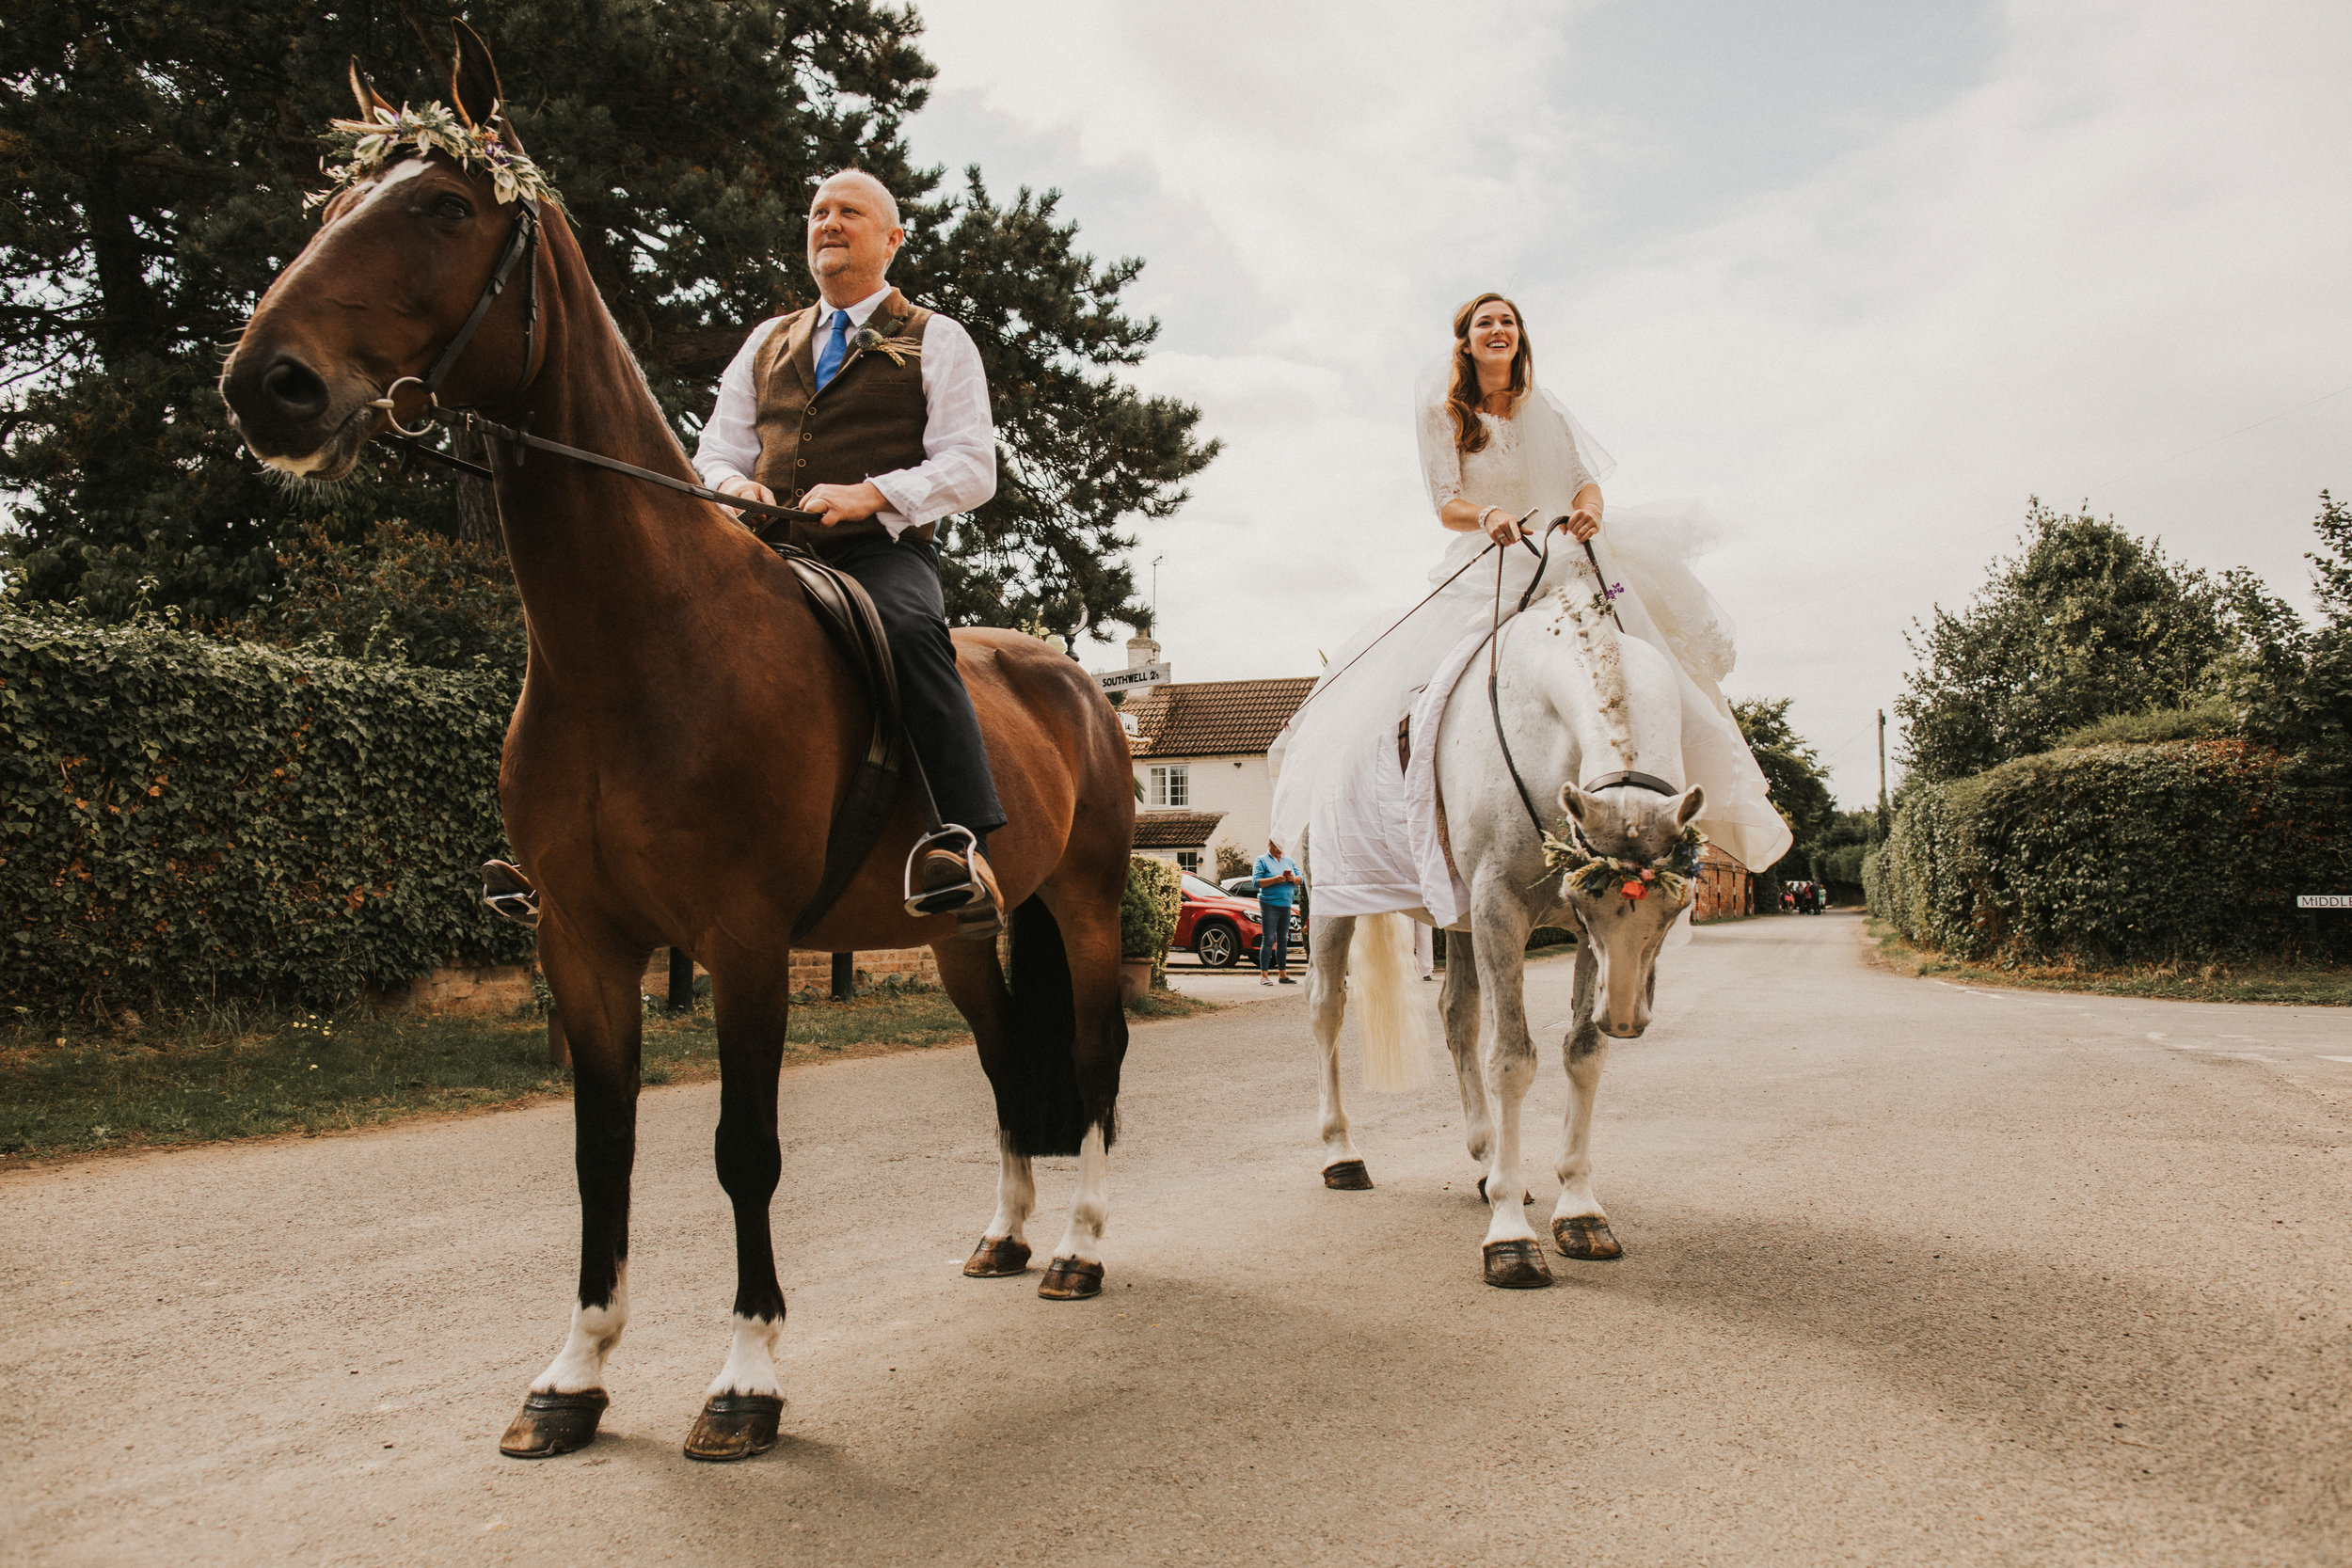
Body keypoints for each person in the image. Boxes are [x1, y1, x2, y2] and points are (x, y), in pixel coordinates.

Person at [1267, 292, 1789, 918]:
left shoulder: (1543, 411)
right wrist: (1486, 514)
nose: (1498, 329)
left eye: (1507, 321)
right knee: (1431, 678)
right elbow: (1445, 502)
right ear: (1465, 342)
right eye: (1485, 322)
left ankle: (1672, 803)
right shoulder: (1447, 415)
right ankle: (1424, 812)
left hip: (1567, 551)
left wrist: (1590, 509)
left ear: (1519, 338)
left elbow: (1580, 478)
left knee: (1648, 660)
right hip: (1491, 555)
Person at [694, 170, 1007, 938]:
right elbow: (713, 453)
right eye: (818, 213)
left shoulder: (937, 336)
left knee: (909, 632)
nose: (829, 223)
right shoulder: (765, 342)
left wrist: (871, 493)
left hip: (878, 557)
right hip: (763, 554)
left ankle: (960, 840)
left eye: (850, 213)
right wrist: (740, 487)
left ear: (892, 239)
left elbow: (973, 466)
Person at [1253, 838, 1304, 986]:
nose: (1279, 851)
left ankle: (1283, 974)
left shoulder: (1289, 860)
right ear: (1270, 845)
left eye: (1281, 848)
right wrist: (1275, 879)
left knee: (1283, 940)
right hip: (1269, 903)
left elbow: (1302, 879)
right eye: (1276, 847)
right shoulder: (1261, 860)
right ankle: (1264, 975)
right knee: (1268, 939)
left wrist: (1294, 879)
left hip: (1286, 904)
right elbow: (1256, 882)